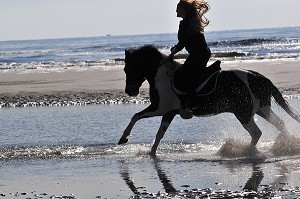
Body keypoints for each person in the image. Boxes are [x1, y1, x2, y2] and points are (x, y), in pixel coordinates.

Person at [168, 0, 211, 97]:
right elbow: (186, 41)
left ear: (183, 10)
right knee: (192, 74)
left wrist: (171, 55)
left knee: (185, 76)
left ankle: (192, 99)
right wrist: (175, 49)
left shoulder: (185, 23)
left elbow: (182, 43)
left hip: (198, 55)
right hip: (203, 53)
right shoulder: (191, 21)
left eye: (177, 9)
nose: (176, 11)